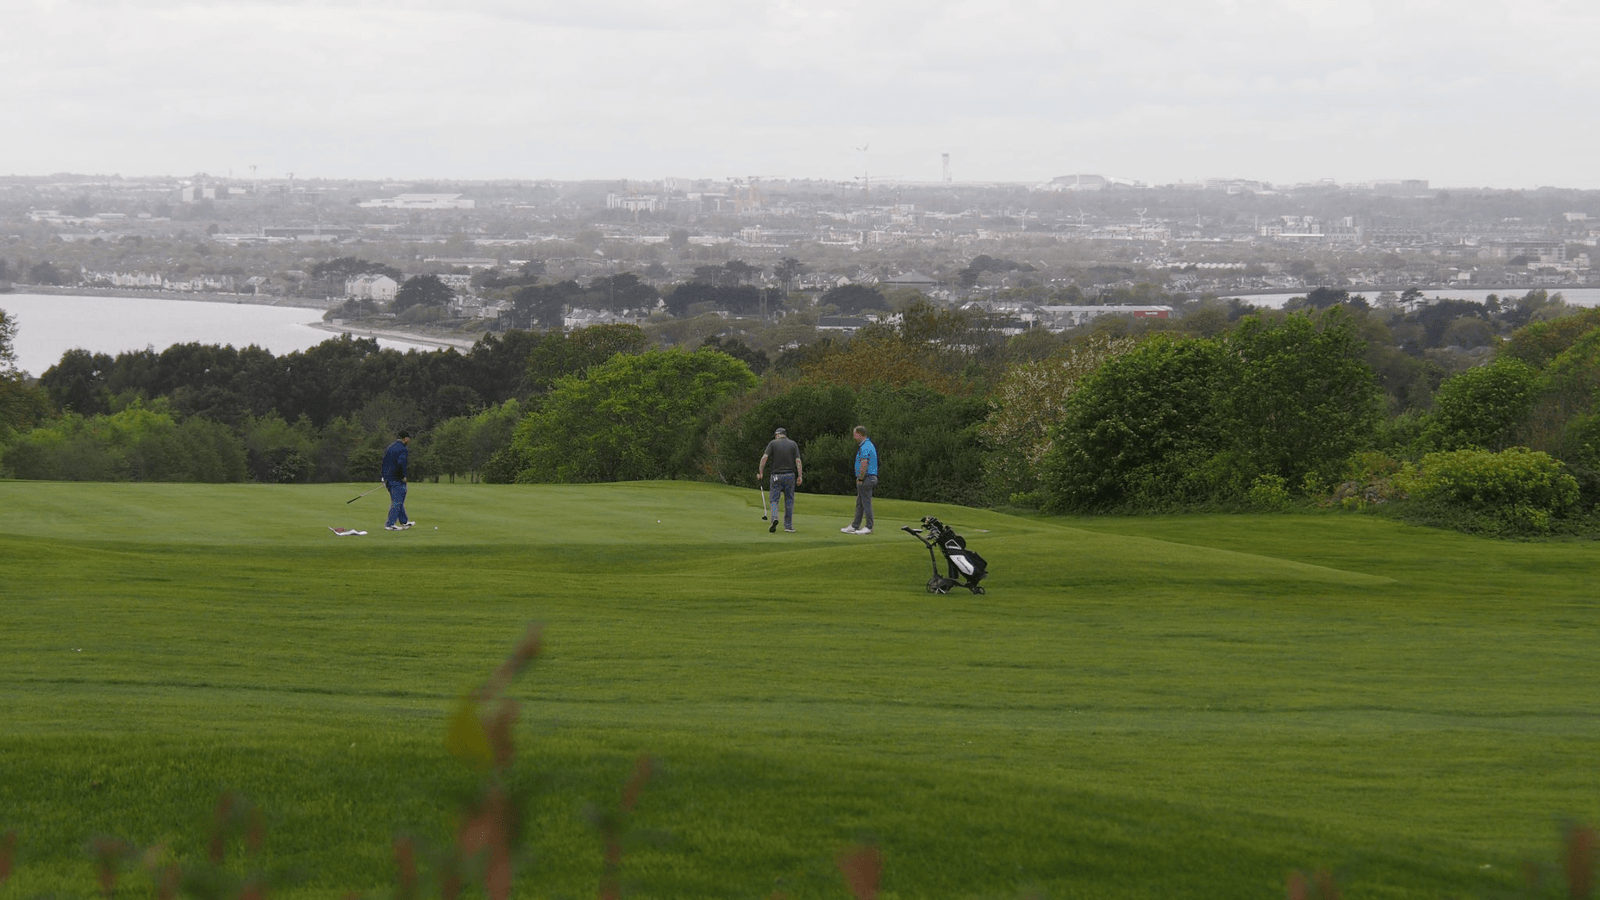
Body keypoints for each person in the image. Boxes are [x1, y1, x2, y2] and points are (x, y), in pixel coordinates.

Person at [757, 426, 803, 533]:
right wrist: (800, 475)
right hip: (790, 475)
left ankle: (774, 517)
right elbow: (798, 461)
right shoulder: (793, 444)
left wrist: (761, 472)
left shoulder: (773, 443)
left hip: (776, 476)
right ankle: (788, 526)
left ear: (777, 435)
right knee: (789, 500)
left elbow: (764, 458)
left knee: (774, 499)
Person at [841, 425, 877, 535]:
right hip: (867, 477)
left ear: (860, 434)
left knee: (866, 503)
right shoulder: (866, 445)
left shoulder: (865, 446)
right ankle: (855, 525)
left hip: (867, 477)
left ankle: (869, 527)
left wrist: (860, 478)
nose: (853, 436)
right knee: (860, 503)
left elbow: (864, 464)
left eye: (854, 434)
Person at [381, 430, 415, 531]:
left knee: (398, 500)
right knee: (397, 501)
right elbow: (401, 464)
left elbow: (384, 462)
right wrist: (403, 477)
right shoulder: (403, 449)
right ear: (405, 438)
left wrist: (384, 477)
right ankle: (390, 524)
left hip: (388, 479)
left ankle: (404, 522)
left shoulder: (390, 447)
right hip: (396, 479)